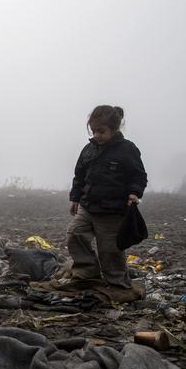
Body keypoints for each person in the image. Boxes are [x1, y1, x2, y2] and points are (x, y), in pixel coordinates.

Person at [67, 105, 148, 288]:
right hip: (87, 207)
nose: (96, 135)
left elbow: (139, 175)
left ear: (114, 129)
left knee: (110, 250)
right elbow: (79, 175)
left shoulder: (127, 149)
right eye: (94, 131)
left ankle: (117, 284)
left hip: (113, 211)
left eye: (101, 131)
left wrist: (134, 193)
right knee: (75, 235)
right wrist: (75, 198)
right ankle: (86, 272)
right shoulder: (89, 149)